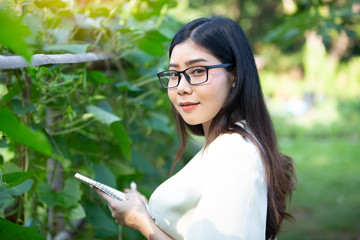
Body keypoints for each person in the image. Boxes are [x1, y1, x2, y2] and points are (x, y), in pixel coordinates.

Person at [93, 16, 296, 240]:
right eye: (174, 74)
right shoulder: (226, 143)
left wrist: (141, 222)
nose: (181, 87)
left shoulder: (235, 152)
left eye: (198, 71)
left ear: (235, 76)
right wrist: (144, 212)